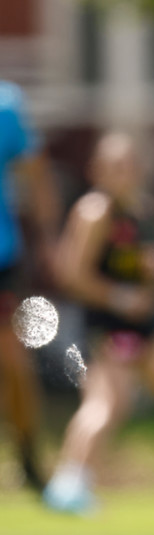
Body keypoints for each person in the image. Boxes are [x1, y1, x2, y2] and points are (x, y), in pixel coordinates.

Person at [43, 131, 154, 517]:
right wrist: (119, 297)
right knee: (106, 406)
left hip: (147, 331)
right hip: (108, 332)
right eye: (113, 166)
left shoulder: (142, 210)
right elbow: (69, 274)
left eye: (128, 165)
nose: (122, 173)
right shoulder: (96, 211)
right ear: (96, 172)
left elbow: (141, 271)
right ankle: (69, 485)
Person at [0, 80, 61, 492]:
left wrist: (46, 242)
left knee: (13, 363)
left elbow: (36, 173)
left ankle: (28, 459)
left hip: (2, 259)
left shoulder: (6, 105)